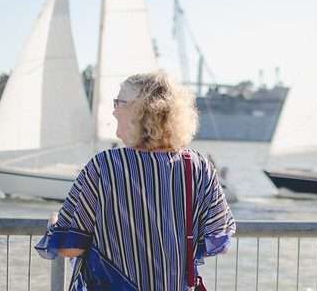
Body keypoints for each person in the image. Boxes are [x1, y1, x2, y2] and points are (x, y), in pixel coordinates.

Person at [36, 72, 236, 290]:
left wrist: (55, 225)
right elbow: (218, 239)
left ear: (140, 111)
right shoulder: (197, 165)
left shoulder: (104, 166)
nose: (113, 110)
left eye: (118, 102)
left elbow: (69, 247)